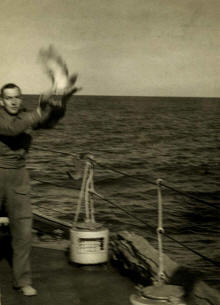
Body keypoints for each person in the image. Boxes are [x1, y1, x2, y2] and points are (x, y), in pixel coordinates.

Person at [0, 82, 77, 296]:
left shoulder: (25, 116)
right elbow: (12, 129)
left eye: (17, 97)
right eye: (9, 97)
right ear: (1, 100)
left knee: (24, 232)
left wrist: (60, 103)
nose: (14, 101)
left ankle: (22, 281)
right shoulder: (5, 118)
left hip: (19, 178)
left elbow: (49, 122)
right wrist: (40, 109)